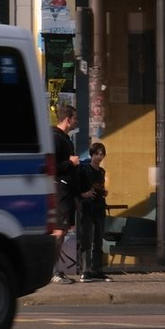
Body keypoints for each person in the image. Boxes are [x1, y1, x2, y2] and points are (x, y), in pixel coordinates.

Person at [51, 104, 81, 284]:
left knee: (62, 231)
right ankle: (52, 270)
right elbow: (51, 167)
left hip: (66, 191)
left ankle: (55, 269)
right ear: (68, 119)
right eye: (75, 118)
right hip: (60, 191)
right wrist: (70, 163)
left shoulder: (64, 138)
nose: (76, 121)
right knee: (58, 231)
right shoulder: (56, 138)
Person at [77, 141, 109, 281]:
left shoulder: (102, 171)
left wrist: (103, 191)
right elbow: (78, 186)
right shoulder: (84, 169)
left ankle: (97, 269)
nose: (99, 157)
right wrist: (83, 194)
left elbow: (100, 185)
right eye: (97, 154)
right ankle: (85, 269)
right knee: (86, 239)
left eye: (102, 154)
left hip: (99, 206)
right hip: (88, 207)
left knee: (98, 239)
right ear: (91, 154)